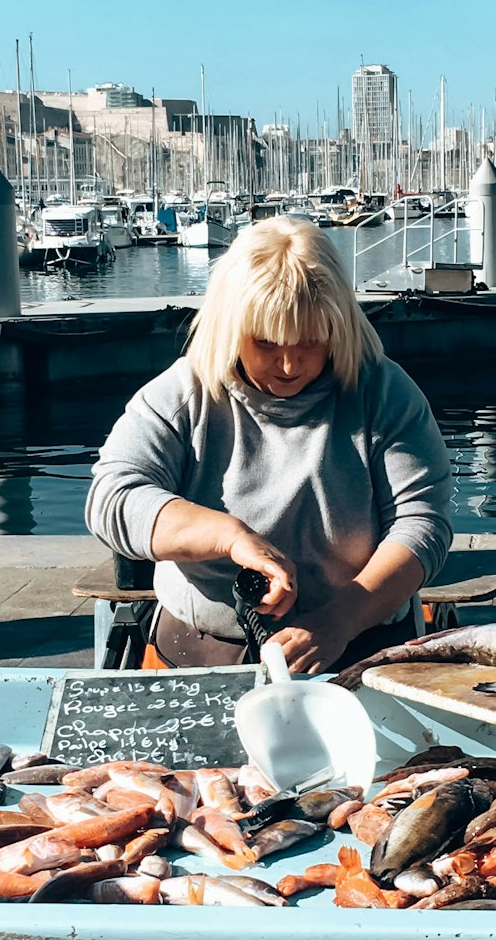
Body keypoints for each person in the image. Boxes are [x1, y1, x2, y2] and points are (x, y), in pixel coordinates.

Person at [86, 218, 452, 673]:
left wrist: (339, 622)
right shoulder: (182, 394)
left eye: (311, 342)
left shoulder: (384, 393)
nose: (288, 364)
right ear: (229, 325)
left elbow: (422, 526)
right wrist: (231, 537)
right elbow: (113, 499)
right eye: (265, 343)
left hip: (367, 646)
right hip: (200, 653)